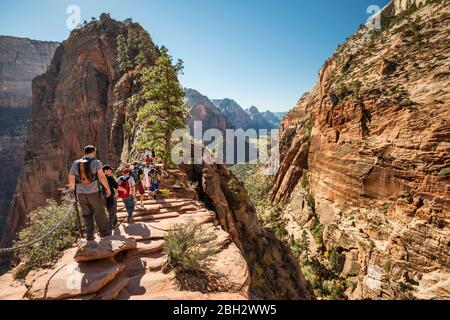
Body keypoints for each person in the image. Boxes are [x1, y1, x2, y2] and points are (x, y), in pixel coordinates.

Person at [69, 145, 111, 240]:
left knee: (86, 214)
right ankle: (104, 233)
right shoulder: (96, 162)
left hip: (81, 194)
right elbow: (102, 177)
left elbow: (71, 178)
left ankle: (89, 235)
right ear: (93, 152)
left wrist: (72, 191)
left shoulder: (75, 163)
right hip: (94, 192)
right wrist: (108, 189)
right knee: (99, 212)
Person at [102, 165, 126, 231]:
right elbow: (116, 186)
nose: (111, 171)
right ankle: (108, 228)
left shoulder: (100, 178)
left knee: (111, 211)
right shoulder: (109, 178)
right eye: (110, 170)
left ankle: (115, 223)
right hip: (110, 197)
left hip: (103, 198)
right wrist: (124, 190)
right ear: (106, 170)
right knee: (112, 212)